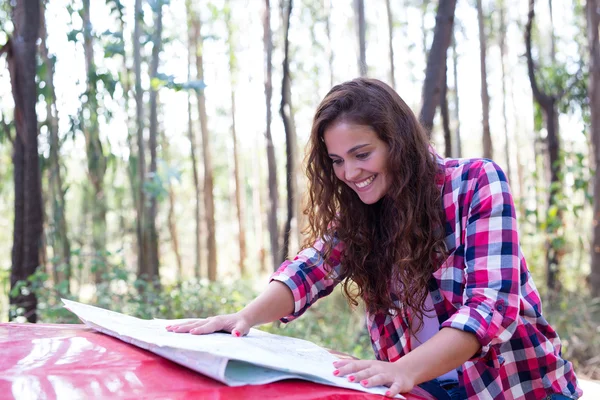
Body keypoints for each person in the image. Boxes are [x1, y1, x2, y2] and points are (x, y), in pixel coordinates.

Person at [166, 78, 582, 400]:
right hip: (425, 390)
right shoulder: (361, 210)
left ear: (397, 142)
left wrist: (404, 369)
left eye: (362, 154)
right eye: (337, 161)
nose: (349, 173)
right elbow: (313, 266)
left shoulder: (475, 183)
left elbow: (491, 308)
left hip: (517, 387)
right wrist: (244, 317)